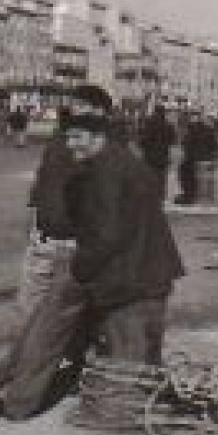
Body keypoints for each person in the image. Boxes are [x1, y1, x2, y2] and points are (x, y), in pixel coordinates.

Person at [0, 86, 111, 421]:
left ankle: (21, 400)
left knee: (53, 326)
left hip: (74, 248)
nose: (75, 111)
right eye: (74, 106)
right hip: (42, 241)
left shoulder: (107, 149)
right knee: (29, 310)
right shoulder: (61, 140)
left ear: (101, 112)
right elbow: (41, 185)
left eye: (84, 107)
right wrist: (32, 221)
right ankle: (36, 373)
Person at [66, 111, 186, 364]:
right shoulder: (127, 161)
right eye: (68, 137)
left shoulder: (105, 171)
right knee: (148, 365)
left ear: (99, 138)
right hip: (153, 278)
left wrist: (79, 266)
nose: (70, 144)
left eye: (78, 137)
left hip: (129, 284)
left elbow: (107, 234)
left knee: (125, 372)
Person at [137, 105, 176, 201]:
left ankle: (150, 195)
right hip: (163, 155)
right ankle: (160, 195)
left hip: (150, 156)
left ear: (155, 112)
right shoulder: (169, 126)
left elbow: (144, 140)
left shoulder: (150, 124)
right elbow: (173, 140)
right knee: (161, 177)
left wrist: (142, 145)